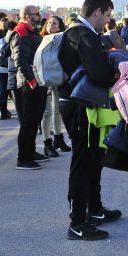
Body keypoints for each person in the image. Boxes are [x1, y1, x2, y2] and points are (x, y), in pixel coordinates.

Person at [57, 0, 120, 241]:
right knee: (83, 161)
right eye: (107, 15)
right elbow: (100, 73)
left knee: (94, 157)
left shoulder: (79, 33)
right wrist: (114, 68)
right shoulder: (82, 35)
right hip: (80, 106)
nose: (107, 22)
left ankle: (94, 209)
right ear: (97, 12)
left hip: (80, 104)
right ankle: (77, 222)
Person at [11, 5, 49, 170]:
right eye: (36, 14)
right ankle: (23, 158)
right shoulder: (22, 32)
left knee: (34, 121)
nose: (39, 16)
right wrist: (33, 82)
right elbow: (21, 61)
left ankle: (31, 151)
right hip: (27, 85)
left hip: (36, 82)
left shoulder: (30, 32)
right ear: (27, 16)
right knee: (27, 122)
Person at [40, 16, 69, 157]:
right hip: (44, 80)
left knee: (57, 110)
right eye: (49, 22)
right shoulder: (41, 40)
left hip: (57, 78)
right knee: (46, 112)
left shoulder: (61, 40)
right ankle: (47, 143)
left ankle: (58, 138)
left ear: (59, 27)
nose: (51, 24)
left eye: (54, 23)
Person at [0, 19, 16, 119]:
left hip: (1, 68)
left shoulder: (1, 41)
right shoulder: (16, 39)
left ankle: (3, 111)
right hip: (13, 69)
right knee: (15, 92)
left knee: (2, 92)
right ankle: (20, 111)